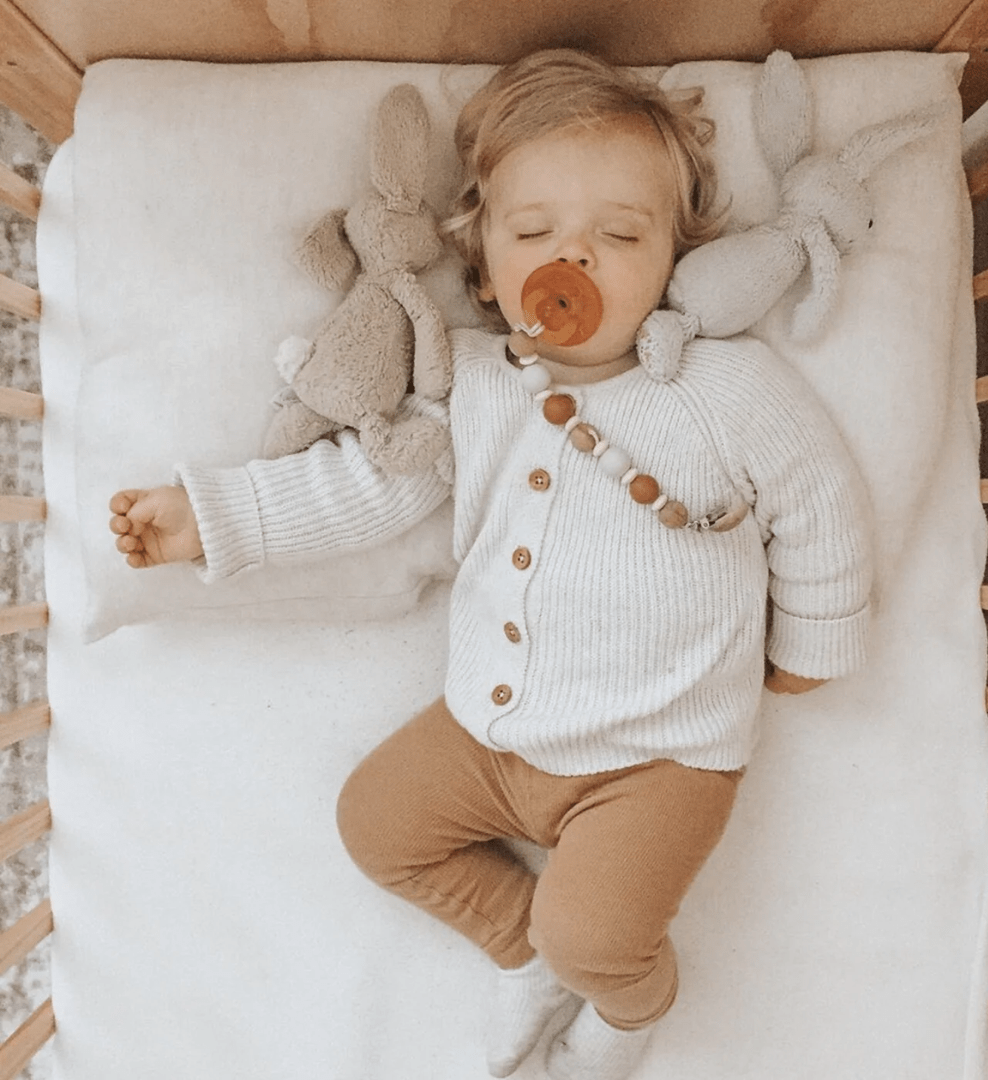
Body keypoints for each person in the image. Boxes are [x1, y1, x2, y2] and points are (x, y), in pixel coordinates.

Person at [109, 50, 872, 1080]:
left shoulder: (727, 383)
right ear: (482, 268)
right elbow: (367, 486)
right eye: (534, 233)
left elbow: (818, 497)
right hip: (488, 729)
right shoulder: (472, 381)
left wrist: (817, 642)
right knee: (375, 826)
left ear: (678, 255)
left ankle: (626, 1004)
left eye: (623, 233)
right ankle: (527, 947)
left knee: (601, 936)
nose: (578, 258)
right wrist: (209, 519)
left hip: (659, 755)